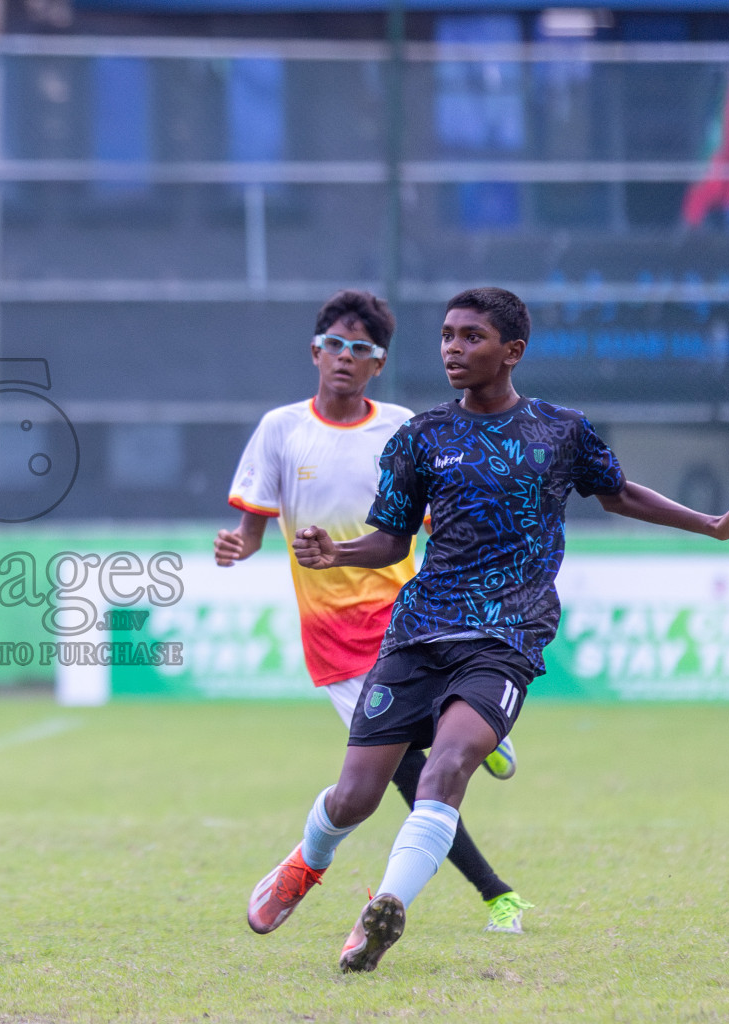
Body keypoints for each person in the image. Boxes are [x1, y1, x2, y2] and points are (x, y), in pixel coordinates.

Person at [276, 287, 729, 974]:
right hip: (420, 630)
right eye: (447, 335)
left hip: (508, 634)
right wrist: (337, 552)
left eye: (470, 336)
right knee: (354, 796)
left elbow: (618, 491)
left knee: (447, 767)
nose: (452, 347)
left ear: (511, 351)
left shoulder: (559, 430)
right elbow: (390, 541)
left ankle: (380, 913)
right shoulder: (421, 437)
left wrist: (712, 525)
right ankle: (309, 861)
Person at [215, 290, 534, 939]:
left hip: (413, 624)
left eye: (360, 349)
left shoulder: (402, 429)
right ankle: (486, 882)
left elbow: (428, 524)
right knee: (393, 777)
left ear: (378, 363)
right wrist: (235, 546)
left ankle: (480, 886)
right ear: (314, 352)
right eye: (334, 344)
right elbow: (250, 527)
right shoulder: (280, 429)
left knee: (424, 769)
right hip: (334, 640)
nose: (344, 357)